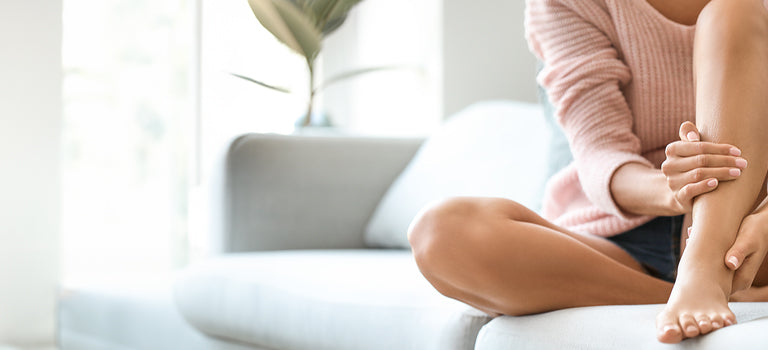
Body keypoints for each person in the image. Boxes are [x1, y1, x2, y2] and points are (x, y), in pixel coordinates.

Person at [407, 0, 768, 344]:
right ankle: (702, 294)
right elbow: (600, 155)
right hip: (622, 240)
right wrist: (670, 190)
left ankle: (706, 269)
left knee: (732, 11)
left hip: (747, 235)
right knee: (439, 234)